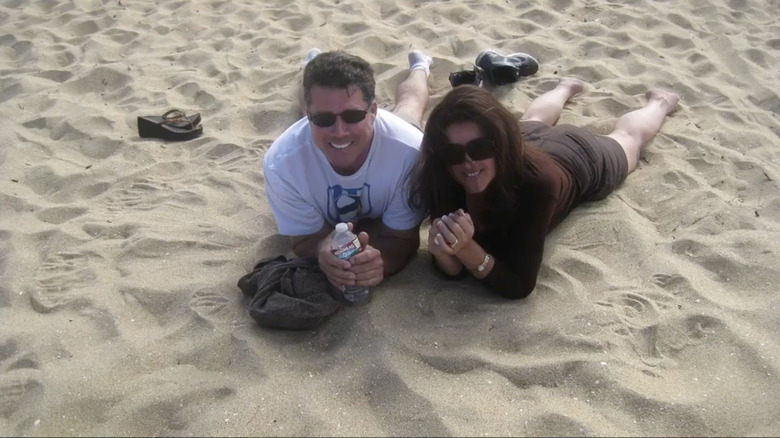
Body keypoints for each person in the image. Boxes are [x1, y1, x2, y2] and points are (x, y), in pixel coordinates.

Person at [409, 78, 680, 299]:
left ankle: (660, 102)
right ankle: (565, 87)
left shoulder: (538, 185)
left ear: (498, 143)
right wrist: (444, 253)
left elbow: (518, 284)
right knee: (533, 119)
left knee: (627, 140)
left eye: (479, 147)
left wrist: (465, 249)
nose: (468, 162)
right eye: (454, 152)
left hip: (577, 157)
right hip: (524, 140)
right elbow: (452, 267)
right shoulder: (444, 172)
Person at [263, 49, 433, 292]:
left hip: (394, 134)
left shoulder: (409, 154)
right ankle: (314, 66)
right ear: (310, 117)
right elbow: (303, 241)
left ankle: (420, 67)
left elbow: (402, 239)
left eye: (353, 115)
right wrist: (321, 251)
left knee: (410, 106)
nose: (339, 130)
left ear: (373, 111)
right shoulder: (281, 165)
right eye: (322, 118)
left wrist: (379, 264)